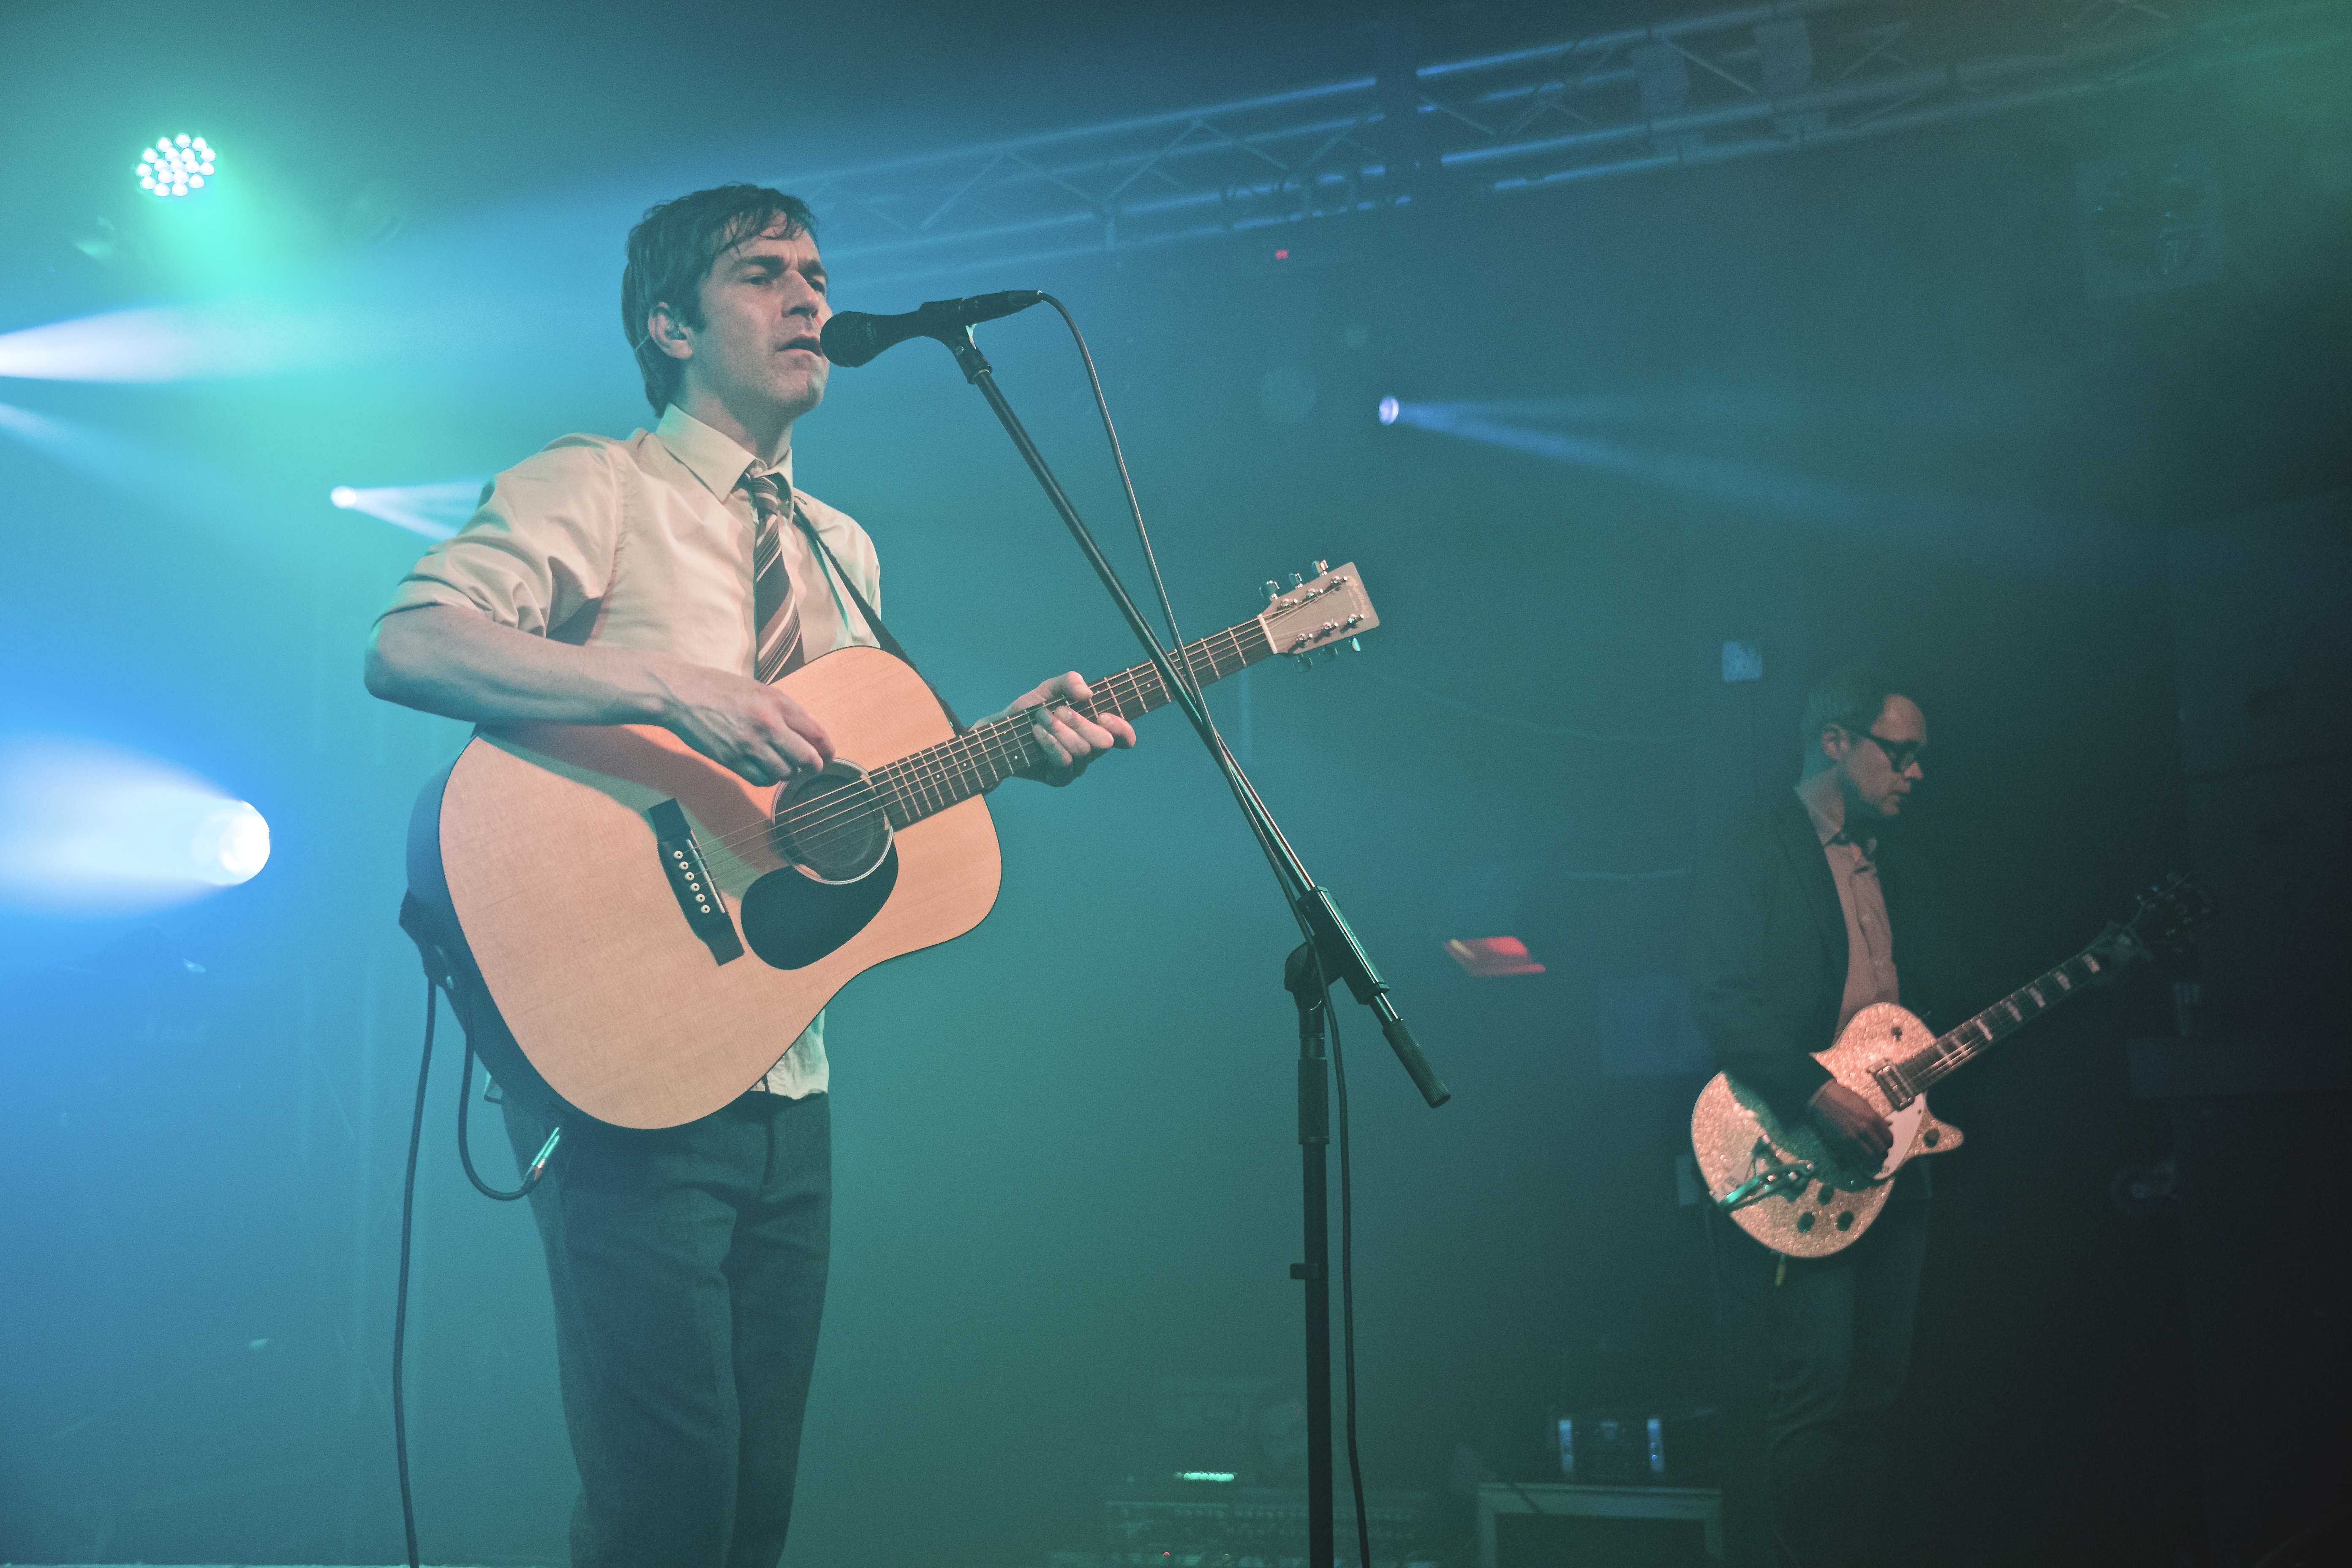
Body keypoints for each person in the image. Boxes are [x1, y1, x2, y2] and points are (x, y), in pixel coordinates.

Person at [363, 183, 1134, 1568]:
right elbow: (410, 646)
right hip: (624, 1058)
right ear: (667, 322)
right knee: (665, 1508)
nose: (810, 300)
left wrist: (1014, 752)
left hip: (787, 1070)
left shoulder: (843, 547)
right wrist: (671, 688)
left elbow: (846, 803)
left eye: (818, 274)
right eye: (763, 274)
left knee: (748, 1517)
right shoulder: (591, 485)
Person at [1689, 664, 1961, 1568]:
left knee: (1876, 1400)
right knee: (1813, 1390)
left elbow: (1923, 1008)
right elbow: (1724, 1000)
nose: (1917, 773)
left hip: (1897, 1155)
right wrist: (1817, 1092)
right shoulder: (1753, 846)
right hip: (1803, 1149)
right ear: (1836, 741)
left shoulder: (1909, 869)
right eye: (1902, 752)